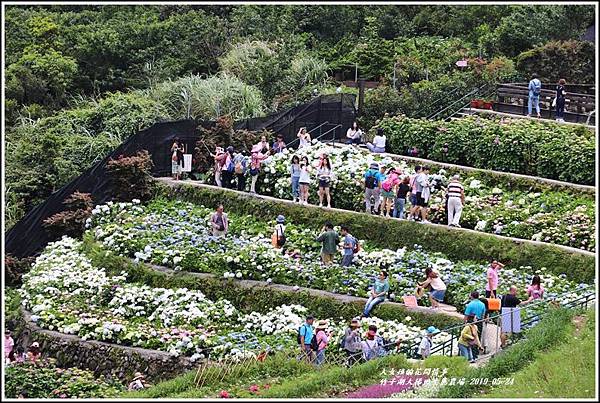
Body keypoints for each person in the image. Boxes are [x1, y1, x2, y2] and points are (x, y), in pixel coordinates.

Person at [464, 291, 486, 359]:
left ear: (472, 296)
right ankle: (476, 353)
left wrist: (465, 323)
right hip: (479, 322)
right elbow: (483, 314)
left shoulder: (470, 304)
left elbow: (466, 315)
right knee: (477, 337)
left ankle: (471, 355)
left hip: (471, 322)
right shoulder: (482, 304)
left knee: (470, 338)